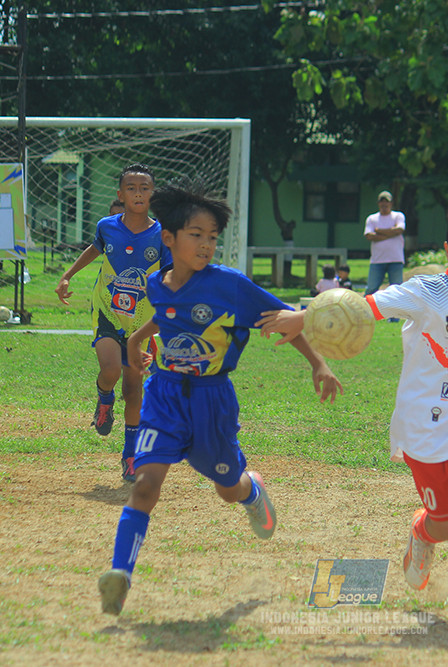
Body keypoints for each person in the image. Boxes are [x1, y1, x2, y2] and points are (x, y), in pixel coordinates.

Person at [257, 193, 448, 637]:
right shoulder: (428, 291)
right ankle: (423, 533)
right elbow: (366, 306)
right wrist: (302, 316)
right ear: (447, 250)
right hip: (428, 422)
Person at [97, 178, 342, 616]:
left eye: (213, 237)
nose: (208, 245)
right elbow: (168, 315)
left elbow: (282, 319)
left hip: (212, 400)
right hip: (165, 395)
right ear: (168, 239)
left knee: (227, 489)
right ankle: (120, 575)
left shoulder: (228, 285)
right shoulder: (156, 283)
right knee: (146, 485)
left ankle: (252, 493)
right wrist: (136, 339)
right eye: (197, 236)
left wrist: (317, 363)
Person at [54, 164, 170, 484]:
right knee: (110, 371)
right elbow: (95, 249)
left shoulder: (162, 235)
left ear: (152, 194)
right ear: (120, 194)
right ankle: (104, 399)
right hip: (106, 310)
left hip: (142, 323)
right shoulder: (107, 226)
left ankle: (130, 456)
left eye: (144, 187)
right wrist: (68, 275)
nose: (137, 192)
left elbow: (173, 275)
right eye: (130, 187)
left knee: (133, 392)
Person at [363, 190, 405, 295]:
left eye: (387, 202)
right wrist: (391, 233)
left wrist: (378, 231)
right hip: (377, 260)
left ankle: (397, 311)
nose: (384, 204)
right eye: (382, 202)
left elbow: (399, 230)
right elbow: (369, 235)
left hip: (396, 259)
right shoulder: (372, 218)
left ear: (391, 203)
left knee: (397, 290)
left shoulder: (398, 216)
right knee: (371, 289)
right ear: (378, 204)